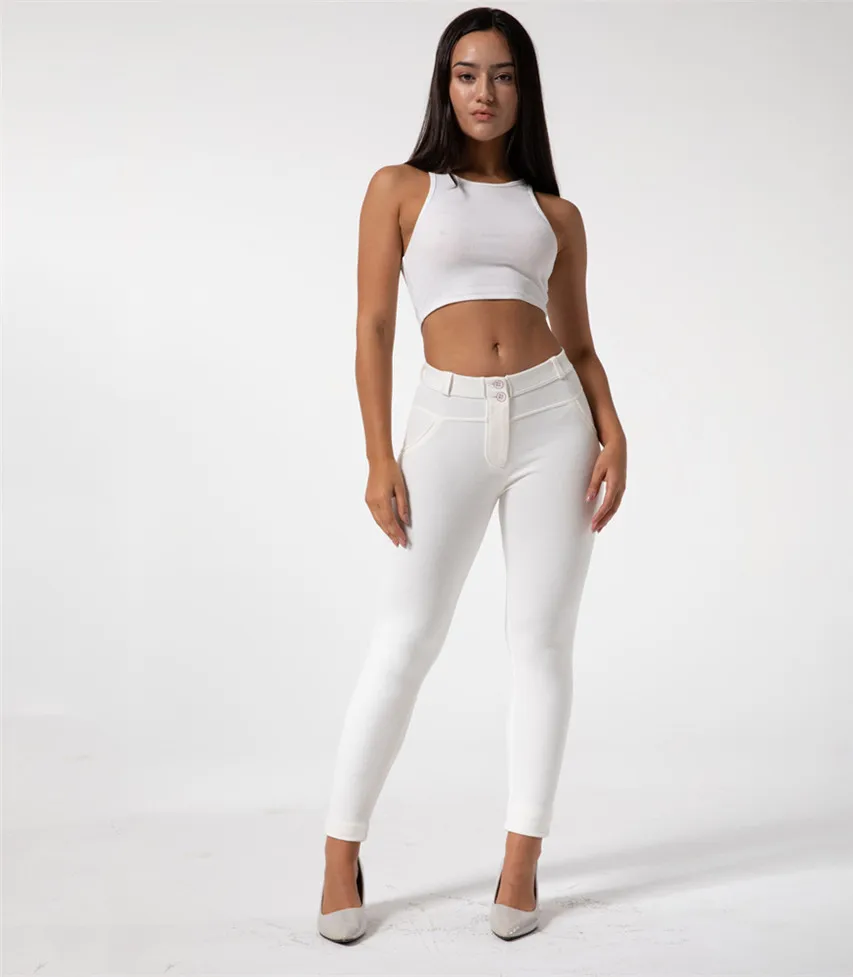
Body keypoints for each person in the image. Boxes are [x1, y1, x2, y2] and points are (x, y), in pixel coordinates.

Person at [317, 7, 627, 944]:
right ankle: (339, 853)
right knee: (405, 638)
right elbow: (374, 326)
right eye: (465, 74)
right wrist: (378, 455)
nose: (482, 92)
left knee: (540, 642)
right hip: (444, 423)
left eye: (501, 75)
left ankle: (521, 858)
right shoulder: (400, 188)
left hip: (553, 422)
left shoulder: (555, 214)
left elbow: (578, 342)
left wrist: (612, 429)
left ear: (523, 89)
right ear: (443, 85)